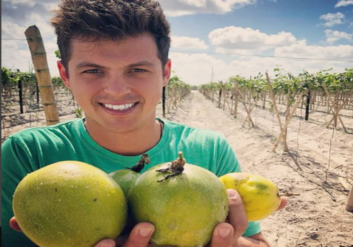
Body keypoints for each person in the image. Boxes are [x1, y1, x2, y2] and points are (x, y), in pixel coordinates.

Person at [1, 0, 287, 246]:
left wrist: (230, 241)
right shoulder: (27, 153)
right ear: (64, 75)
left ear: (165, 73)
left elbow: (257, 242)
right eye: (93, 70)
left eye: (137, 69)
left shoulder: (210, 149)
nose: (116, 90)